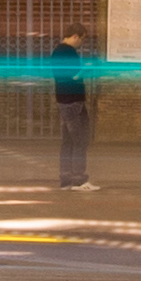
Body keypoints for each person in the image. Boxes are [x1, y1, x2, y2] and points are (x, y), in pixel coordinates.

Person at [50, 31, 95, 188]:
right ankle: (79, 180)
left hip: (63, 100)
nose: (81, 43)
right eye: (81, 39)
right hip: (73, 101)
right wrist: (85, 71)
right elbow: (72, 76)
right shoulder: (68, 52)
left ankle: (66, 180)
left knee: (67, 142)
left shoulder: (56, 52)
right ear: (75, 36)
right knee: (80, 141)